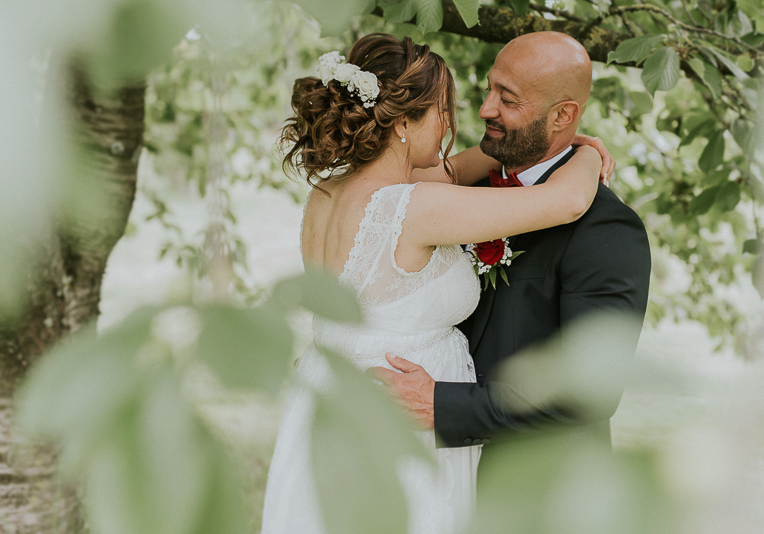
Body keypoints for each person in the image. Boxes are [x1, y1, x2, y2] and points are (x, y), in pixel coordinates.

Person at [259, 32, 612, 534]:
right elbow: (567, 203)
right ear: (403, 121)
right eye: (442, 112)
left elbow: (456, 169)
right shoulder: (414, 207)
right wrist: (590, 151)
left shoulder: (330, 192)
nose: (451, 124)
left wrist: (533, 140)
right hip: (400, 416)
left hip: (329, 397)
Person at [376, 31, 651, 462]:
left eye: (508, 98)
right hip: (434, 466)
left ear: (563, 115)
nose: (486, 108)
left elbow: (590, 387)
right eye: (489, 89)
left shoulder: (608, 228)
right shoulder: (452, 198)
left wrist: (443, 407)